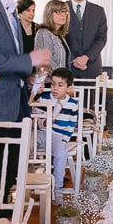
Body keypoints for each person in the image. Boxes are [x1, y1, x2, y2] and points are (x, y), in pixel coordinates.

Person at [33, 67, 78, 204]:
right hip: (40, 133)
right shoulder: (43, 99)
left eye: (60, 85)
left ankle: (57, 189)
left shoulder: (72, 104)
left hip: (57, 136)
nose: (55, 88)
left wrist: (63, 141)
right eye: (53, 84)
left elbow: (70, 127)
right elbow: (37, 122)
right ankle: (28, 184)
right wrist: (45, 122)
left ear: (68, 87)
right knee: (26, 146)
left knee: (61, 153)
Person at [65, 0, 107, 79]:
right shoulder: (61, 10)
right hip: (68, 67)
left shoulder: (98, 11)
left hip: (91, 67)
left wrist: (86, 57)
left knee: (91, 96)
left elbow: (101, 39)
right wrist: (74, 60)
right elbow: (59, 38)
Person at [34, 0, 71, 71]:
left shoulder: (60, 35)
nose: (63, 15)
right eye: (58, 12)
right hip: (50, 81)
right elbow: (45, 62)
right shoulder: (43, 33)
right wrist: (60, 78)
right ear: (49, 14)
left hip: (61, 80)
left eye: (64, 12)